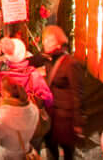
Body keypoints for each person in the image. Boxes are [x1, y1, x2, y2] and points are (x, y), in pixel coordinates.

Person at [39, 24, 80, 160]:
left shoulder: (70, 63)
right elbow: (33, 61)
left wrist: (78, 122)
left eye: (48, 40)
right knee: (51, 147)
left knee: (67, 151)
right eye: (45, 40)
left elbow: (77, 94)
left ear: (58, 41)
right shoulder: (49, 58)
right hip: (52, 115)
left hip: (65, 119)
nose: (45, 43)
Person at [0, 79, 40, 160]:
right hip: (25, 151)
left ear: (7, 95)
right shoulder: (34, 109)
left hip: (7, 156)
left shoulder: (5, 118)